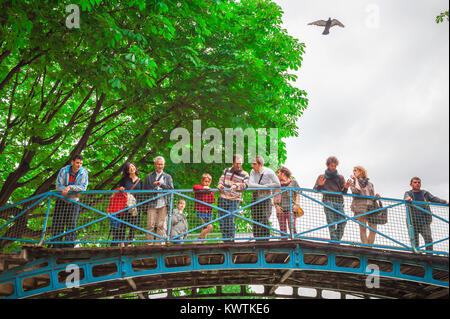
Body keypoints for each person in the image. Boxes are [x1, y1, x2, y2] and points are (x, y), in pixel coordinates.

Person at [52, 154, 89, 248]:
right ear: (72, 162)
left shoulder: (83, 172)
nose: (79, 165)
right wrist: (66, 190)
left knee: (71, 222)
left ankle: (69, 245)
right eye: (77, 163)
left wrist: (69, 187)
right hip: (61, 199)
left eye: (81, 163)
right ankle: (56, 244)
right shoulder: (64, 170)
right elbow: (58, 186)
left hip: (74, 201)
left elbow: (83, 187)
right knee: (58, 222)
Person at [404, 177, 449, 252]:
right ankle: (415, 255)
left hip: (424, 221)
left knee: (428, 238)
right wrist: (408, 199)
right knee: (415, 241)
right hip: (413, 222)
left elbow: (434, 199)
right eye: (415, 182)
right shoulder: (408, 193)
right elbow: (406, 197)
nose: (417, 184)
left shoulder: (424, 193)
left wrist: (445, 202)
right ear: (411, 184)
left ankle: (429, 254)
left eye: (419, 182)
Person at [313, 156, 350, 242]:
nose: (333, 167)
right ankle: (335, 241)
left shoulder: (340, 177)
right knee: (331, 222)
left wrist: (346, 187)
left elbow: (343, 192)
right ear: (328, 165)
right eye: (331, 165)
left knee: (343, 221)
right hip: (328, 201)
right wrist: (320, 185)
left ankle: (336, 240)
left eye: (335, 166)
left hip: (339, 202)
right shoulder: (322, 176)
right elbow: (315, 190)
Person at [217, 154, 249, 242]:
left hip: (234, 199)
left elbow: (246, 185)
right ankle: (225, 240)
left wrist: (237, 185)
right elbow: (221, 180)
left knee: (230, 219)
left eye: (240, 163)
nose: (239, 166)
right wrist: (219, 185)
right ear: (233, 162)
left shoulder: (245, 174)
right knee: (222, 220)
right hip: (223, 197)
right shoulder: (226, 170)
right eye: (237, 163)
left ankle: (231, 240)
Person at [110, 162, 143, 247]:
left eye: (133, 166)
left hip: (136, 205)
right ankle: (121, 243)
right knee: (123, 224)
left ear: (135, 167)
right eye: (129, 167)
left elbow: (142, 193)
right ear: (127, 170)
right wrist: (121, 189)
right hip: (125, 205)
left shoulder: (140, 180)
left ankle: (129, 243)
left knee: (134, 224)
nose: (132, 168)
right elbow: (120, 190)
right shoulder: (124, 180)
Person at [248, 155, 281, 240]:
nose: (253, 166)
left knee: (265, 217)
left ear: (260, 164)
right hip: (255, 199)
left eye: (254, 164)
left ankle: (266, 239)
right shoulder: (252, 171)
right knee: (255, 219)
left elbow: (277, 184)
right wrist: (262, 187)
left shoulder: (269, 172)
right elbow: (250, 184)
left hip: (266, 199)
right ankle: (257, 239)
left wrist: (266, 186)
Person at [143, 156, 174, 245]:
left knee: (161, 225)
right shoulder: (149, 176)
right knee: (150, 225)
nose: (160, 166)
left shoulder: (167, 177)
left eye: (162, 164)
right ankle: (149, 245)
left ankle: (159, 244)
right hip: (152, 203)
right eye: (158, 164)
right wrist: (154, 188)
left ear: (164, 165)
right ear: (155, 165)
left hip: (163, 203)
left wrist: (162, 185)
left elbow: (171, 189)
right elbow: (145, 190)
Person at [349, 166, 381, 246]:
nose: (354, 172)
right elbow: (357, 191)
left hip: (371, 207)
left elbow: (372, 196)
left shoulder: (370, 184)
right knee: (363, 228)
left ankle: (368, 247)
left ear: (361, 172)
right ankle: (366, 247)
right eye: (353, 171)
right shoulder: (353, 183)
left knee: (373, 229)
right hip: (360, 208)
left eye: (355, 171)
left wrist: (376, 197)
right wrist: (356, 180)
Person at [274, 166, 301, 237]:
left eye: (279, 173)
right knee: (282, 229)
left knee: (292, 227)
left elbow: (298, 193)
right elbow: (273, 196)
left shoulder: (293, 182)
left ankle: (295, 242)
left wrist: (297, 205)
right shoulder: (276, 184)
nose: (277, 174)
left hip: (291, 208)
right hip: (281, 209)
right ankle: (284, 245)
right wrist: (276, 206)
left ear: (283, 173)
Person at [193, 174, 216, 243]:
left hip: (209, 211)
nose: (207, 183)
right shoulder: (199, 188)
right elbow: (195, 187)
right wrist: (203, 188)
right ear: (202, 181)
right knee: (210, 227)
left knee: (205, 228)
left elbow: (212, 201)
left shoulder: (210, 190)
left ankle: (202, 243)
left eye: (208, 182)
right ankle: (198, 238)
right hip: (201, 211)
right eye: (206, 181)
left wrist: (211, 193)